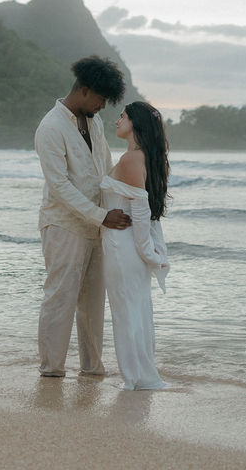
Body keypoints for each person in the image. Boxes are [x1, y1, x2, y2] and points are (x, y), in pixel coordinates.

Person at [35, 56, 131, 378]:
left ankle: (92, 368)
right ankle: (52, 370)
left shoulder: (94, 122)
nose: (103, 107)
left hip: (97, 225)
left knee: (93, 302)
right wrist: (101, 216)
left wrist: (127, 199)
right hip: (63, 225)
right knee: (60, 297)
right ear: (85, 91)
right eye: (101, 100)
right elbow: (59, 185)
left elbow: (104, 168)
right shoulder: (50, 127)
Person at [100, 101, 171, 390]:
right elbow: (151, 217)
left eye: (123, 116)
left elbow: (142, 214)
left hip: (122, 247)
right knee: (137, 311)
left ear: (136, 123)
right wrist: (152, 253)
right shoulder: (148, 158)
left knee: (126, 312)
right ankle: (140, 375)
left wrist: (148, 253)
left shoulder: (131, 160)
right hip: (130, 248)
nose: (117, 121)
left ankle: (133, 379)